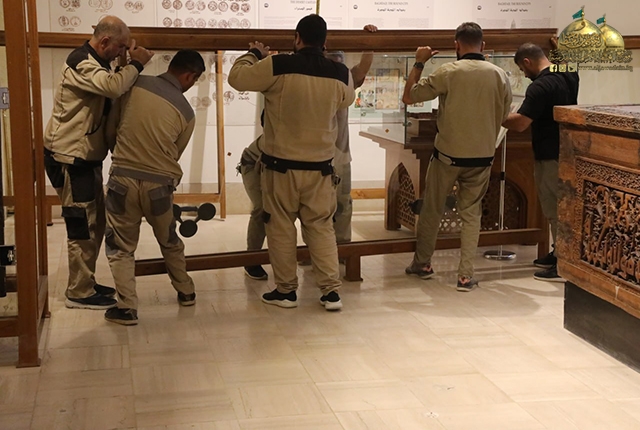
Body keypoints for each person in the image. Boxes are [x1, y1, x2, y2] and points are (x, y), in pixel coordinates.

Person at [229, 14, 355, 310]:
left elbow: (237, 78)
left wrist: (254, 54)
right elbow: (346, 100)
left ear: (297, 38)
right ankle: (331, 292)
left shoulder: (278, 65)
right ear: (325, 42)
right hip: (321, 170)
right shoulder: (340, 73)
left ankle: (286, 291)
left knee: (281, 228)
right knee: (321, 228)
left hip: (280, 168)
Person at [240, 27, 377, 279]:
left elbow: (359, 72)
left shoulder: (339, 81)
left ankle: (327, 261)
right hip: (274, 159)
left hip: (323, 159)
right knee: (269, 213)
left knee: (331, 211)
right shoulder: (310, 81)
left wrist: (369, 43)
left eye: (339, 61)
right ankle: (256, 260)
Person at [43, 15, 154, 310]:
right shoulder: (81, 61)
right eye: (120, 47)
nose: (121, 53)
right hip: (70, 158)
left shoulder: (99, 62)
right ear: (104, 41)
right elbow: (113, 87)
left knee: (95, 222)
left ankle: (86, 282)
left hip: (84, 157)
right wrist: (136, 64)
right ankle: (78, 292)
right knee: (83, 225)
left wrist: (125, 61)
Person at [402, 22, 512, 292]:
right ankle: (465, 277)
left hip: (448, 157)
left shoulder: (448, 71)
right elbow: (504, 115)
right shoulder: (499, 75)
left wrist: (419, 63)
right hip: (482, 157)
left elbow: (409, 97)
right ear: (483, 45)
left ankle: (423, 264)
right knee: (471, 214)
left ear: (456, 45)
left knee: (432, 209)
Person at [102, 50, 206, 325]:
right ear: (190, 76)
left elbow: (111, 129)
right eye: (195, 80)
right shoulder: (187, 113)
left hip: (123, 181)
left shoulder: (134, 84)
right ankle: (186, 291)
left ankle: (127, 308)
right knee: (169, 240)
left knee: (121, 246)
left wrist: (123, 157)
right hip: (159, 186)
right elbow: (175, 154)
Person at [501, 41, 579, 282]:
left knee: (555, 208)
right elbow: (565, 61)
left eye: (522, 69)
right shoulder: (568, 73)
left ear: (527, 62)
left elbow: (521, 123)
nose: (524, 75)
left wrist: (494, 116)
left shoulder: (540, 86)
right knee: (563, 206)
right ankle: (558, 253)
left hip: (549, 154)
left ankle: (563, 262)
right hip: (568, 150)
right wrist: (557, 47)